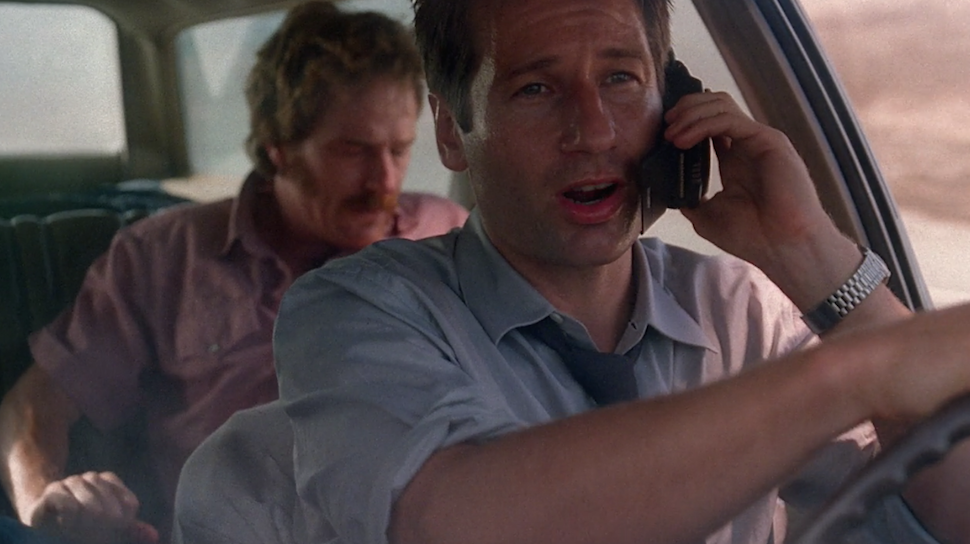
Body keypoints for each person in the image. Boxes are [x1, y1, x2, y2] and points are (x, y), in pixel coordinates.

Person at [272, 0, 970, 543]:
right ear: (452, 129)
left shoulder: (740, 312)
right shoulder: (357, 312)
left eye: (620, 79)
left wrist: (810, 252)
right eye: (536, 88)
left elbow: (955, 512)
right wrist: (852, 375)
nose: (595, 130)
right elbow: (453, 521)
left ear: (674, 104)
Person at [0, 3, 468, 543]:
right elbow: (32, 407)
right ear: (279, 148)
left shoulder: (446, 235)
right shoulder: (164, 257)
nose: (384, 180)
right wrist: (45, 506)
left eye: (400, 149)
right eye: (353, 151)